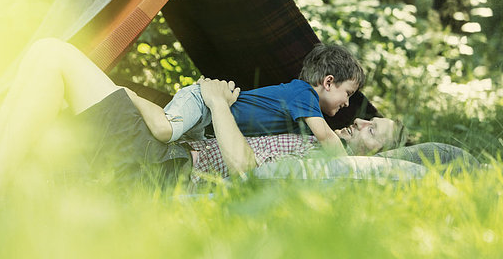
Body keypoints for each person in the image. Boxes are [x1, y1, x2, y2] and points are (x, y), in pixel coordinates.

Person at [0, 38, 405, 191]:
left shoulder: (324, 160)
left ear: (375, 159)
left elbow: (245, 169)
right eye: (368, 117)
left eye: (372, 131)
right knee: (44, 52)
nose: (360, 120)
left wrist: (213, 101)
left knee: (52, 54)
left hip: (163, 169)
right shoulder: (305, 121)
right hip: (165, 151)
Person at [152, 44, 364, 157]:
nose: (347, 103)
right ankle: (128, 94)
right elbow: (327, 138)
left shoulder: (303, 121)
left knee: (165, 147)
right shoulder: (304, 93)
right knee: (165, 130)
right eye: (348, 93)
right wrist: (348, 165)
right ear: (328, 82)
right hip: (203, 102)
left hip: (210, 125)